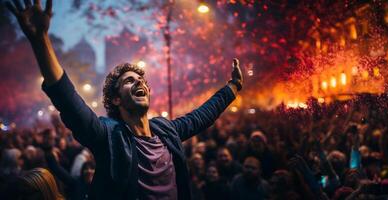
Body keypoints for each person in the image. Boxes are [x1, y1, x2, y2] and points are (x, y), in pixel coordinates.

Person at [4, 0, 243, 199]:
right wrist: (40, 41)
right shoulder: (108, 136)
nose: (139, 82)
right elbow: (67, 100)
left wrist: (233, 87)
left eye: (142, 80)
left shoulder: (166, 131)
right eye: (130, 80)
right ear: (116, 100)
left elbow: (202, 116)